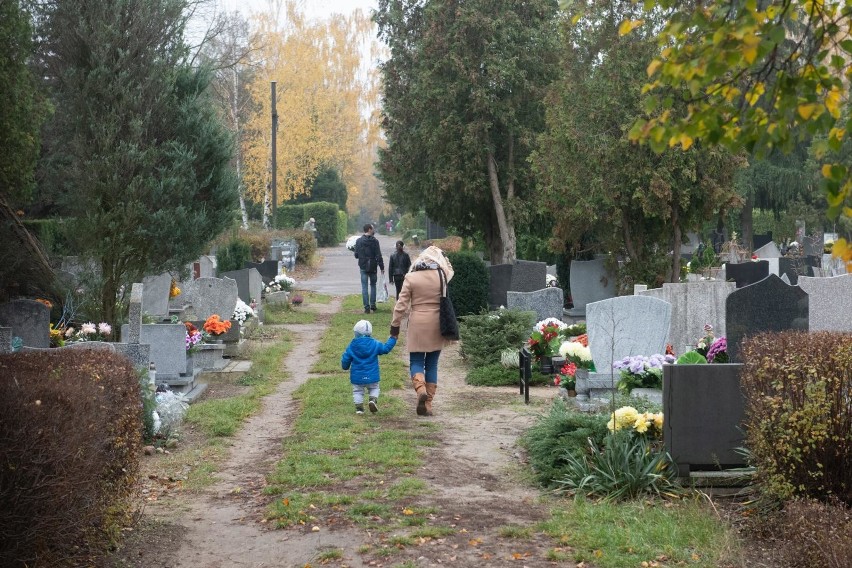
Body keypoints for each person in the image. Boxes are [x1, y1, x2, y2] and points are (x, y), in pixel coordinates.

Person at [390, 246, 454, 416]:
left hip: (418, 321)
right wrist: (442, 255)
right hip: (437, 322)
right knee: (432, 364)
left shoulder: (411, 278)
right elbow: (450, 269)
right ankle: (428, 405)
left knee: (416, 361)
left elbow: (401, 305)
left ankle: (420, 391)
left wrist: (395, 327)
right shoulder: (442, 275)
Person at [341, 319, 396, 414]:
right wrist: (393, 338)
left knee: (357, 391)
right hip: (372, 375)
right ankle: (372, 400)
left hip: (357, 376)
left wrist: (345, 366)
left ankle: (359, 409)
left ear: (356, 333)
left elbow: (346, 359)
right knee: (374, 388)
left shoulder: (352, 345)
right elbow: (386, 349)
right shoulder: (375, 344)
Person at [354, 223, 384, 313]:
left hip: (363, 265)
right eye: (373, 228)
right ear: (369, 229)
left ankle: (366, 307)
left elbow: (356, 255)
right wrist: (382, 267)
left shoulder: (359, 241)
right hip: (373, 266)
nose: (374, 230)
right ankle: (373, 305)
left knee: (364, 286)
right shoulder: (375, 241)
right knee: (373, 285)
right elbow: (378, 255)